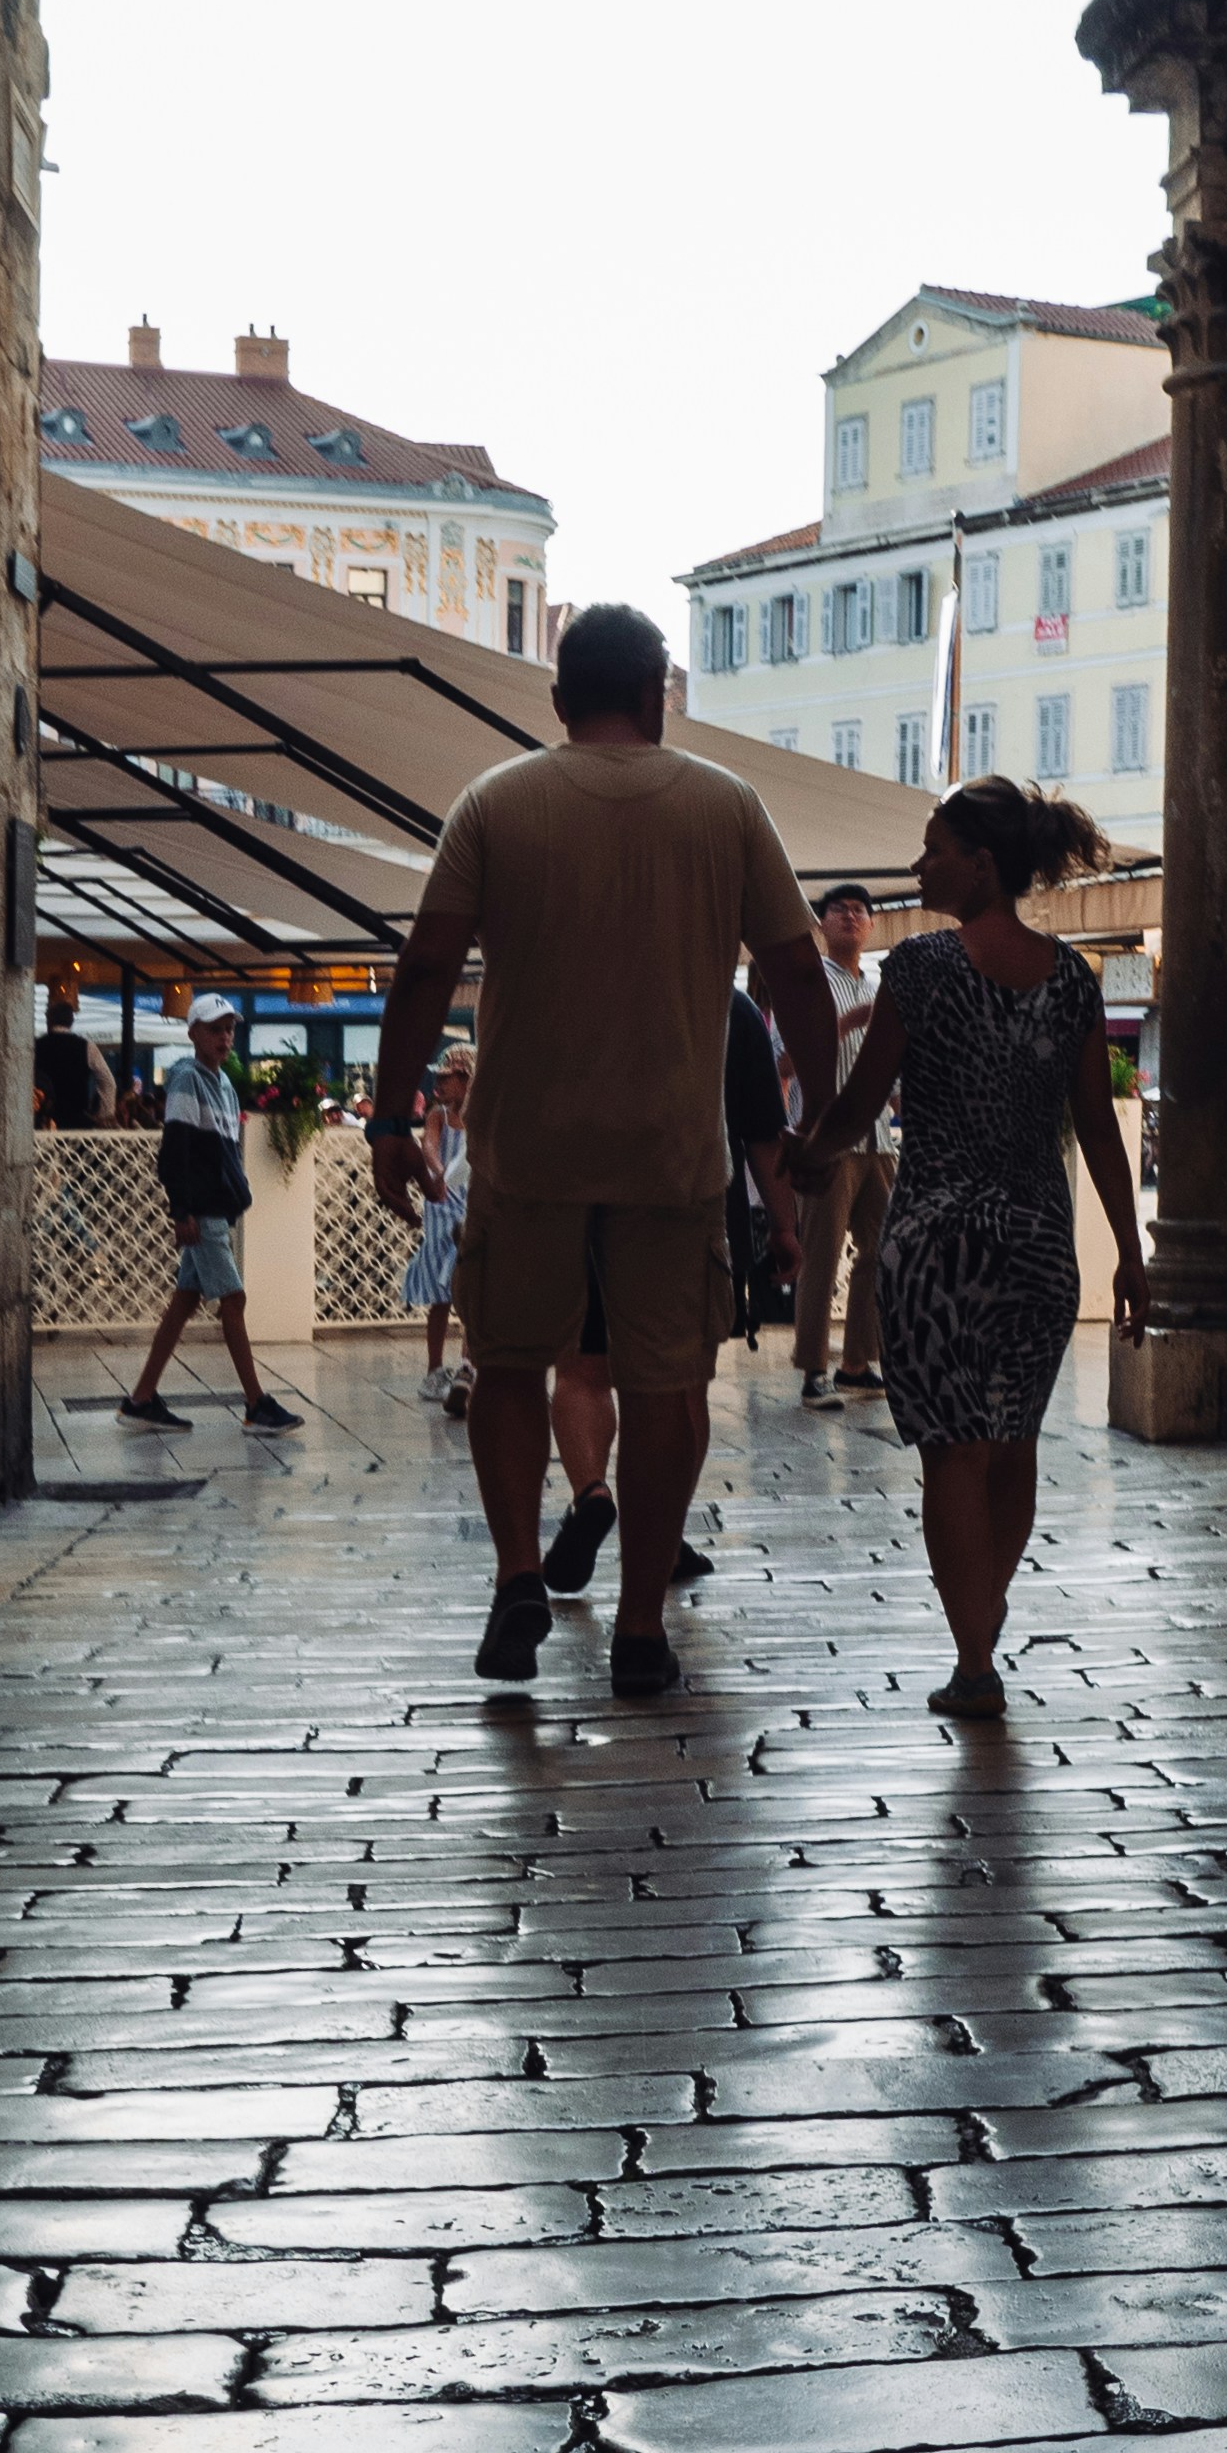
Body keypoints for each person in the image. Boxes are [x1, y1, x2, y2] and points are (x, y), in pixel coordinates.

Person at [367, 600, 835, 1697]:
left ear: (560, 699)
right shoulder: (727, 806)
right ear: (659, 689)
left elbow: (426, 966)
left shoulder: (494, 802)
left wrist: (392, 1120)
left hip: (526, 1152)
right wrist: (821, 1118)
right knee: (670, 1387)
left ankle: (520, 1573)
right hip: (671, 1158)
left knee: (512, 1369)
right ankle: (636, 1625)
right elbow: (797, 974)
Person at [793, 777, 1146, 1720]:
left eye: (934, 849)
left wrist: (805, 1157)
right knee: (1012, 1443)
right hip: (1035, 1242)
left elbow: (858, 1108)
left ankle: (974, 1657)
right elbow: (1097, 1132)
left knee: (951, 1453)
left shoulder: (918, 972)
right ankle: (984, 1622)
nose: (918, 866)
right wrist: (1133, 1253)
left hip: (937, 1240)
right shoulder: (1069, 979)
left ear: (981, 866)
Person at [546, 970, 799, 1611]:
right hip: (694, 1206)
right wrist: (786, 1227)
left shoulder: (578, 994)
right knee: (682, 1387)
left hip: (584, 1201)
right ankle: (664, 1534)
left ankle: (592, 1495)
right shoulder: (729, 1006)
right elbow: (763, 1133)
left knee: (581, 1370)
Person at [118, 994, 298, 1434]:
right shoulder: (186, 1078)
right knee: (233, 1300)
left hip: (216, 1206)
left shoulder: (223, 1083)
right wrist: (183, 1209)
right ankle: (256, 1404)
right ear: (192, 1032)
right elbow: (175, 1149)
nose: (224, 1037)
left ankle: (141, 1399)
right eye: (215, 1029)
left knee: (185, 1302)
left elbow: (223, 1149)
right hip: (203, 1210)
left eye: (229, 1029)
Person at [791, 881, 892, 1410]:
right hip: (825, 1139)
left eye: (860, 910)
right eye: (840, 910)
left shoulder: (880, 990)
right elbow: (782, 1065)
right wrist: (844, 1026)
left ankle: (858, 1362)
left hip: (877, 1140)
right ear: (822, 923)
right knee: (822, 1255)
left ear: (872, 925)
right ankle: (812, 1369)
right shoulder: (808, 987)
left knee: (880, 1251)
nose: (851, 917)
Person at [406, 1050, 474, 1411]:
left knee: (468, 1286)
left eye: (446, 1078)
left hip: (470, 1205)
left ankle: (466, 1364)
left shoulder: (479, 1117)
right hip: (442, 1207)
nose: (438, 1084)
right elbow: (428, 1145)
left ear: (466, 1080)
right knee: (441, 1293)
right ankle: (435, 1368)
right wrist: (439, 1171)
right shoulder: (438, 1117)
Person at [32, 985, 107, 1131]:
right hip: (78, 1123)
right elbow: (108, 1081)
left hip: (45, 1124)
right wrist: (103, 1115)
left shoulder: (36, 1046)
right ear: (71, 1021)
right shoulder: (86, 1046)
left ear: (49, 1020)